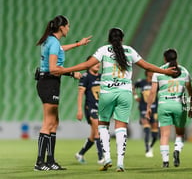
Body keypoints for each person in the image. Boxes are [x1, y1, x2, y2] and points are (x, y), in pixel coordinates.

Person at [53, 28, 177, 172]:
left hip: (107, 93)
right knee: (121, 127)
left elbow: (86, 65)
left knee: (103, 125)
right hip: (125, 93)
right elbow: (146, 65)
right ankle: (120, 163)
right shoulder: (130, 51)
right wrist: (165, 71)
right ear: (122, 39)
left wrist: (65, 70)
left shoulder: (104, 50)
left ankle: (107, 158)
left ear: (109, 39)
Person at [34, 15, 91, 171]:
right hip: (49, 82)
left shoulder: (51, 41)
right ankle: (40, 162)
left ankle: (50, 160)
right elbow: (53, 68)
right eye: (68, 26)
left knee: (54, 122)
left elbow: (60, 49)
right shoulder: (53, 43)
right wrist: (72, 72)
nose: (69, 28)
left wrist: (78, 44)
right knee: (48, 123)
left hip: (49, 82)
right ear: (62, 27)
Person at [145, 49, 192, 168]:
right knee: (180, 134)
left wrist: (148, 107)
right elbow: (190, 92)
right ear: (176, 58)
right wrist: (191, 107)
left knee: (164, 135)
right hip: (179, 105)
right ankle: (177, 150)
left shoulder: (158, 72)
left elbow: (152, 92)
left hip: (164, 104)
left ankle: (165, 161)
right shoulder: (184, 71)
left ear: (164, 58)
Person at [74, 56, 104, 164]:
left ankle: (80, 154)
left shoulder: (102, 77)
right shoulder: (86, 77)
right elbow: (80, 94)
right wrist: (79, 110)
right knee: (98, 132)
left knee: (93, 135)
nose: (98, 64)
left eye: (98, 62)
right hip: (90, 109)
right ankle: (101, 158)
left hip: (101, 109)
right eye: (95, 62)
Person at [133, 70, 159, 158]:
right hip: (143, 108)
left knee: (155, 134)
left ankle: (151, 146)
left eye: (153, 72)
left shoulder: (156, 83)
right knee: (147, 128)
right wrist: (135, 96)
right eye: (150, 72)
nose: (151, 73)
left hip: (154, 109)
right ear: (146, 73)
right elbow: (132, 86)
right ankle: (147, 149)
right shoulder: (141, 82)